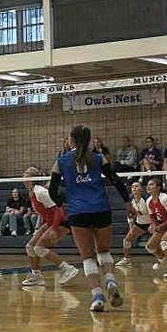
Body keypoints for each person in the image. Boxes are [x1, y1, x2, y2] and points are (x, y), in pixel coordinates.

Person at [49, 127, 123, 314]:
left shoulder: (61, 161)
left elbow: (52, 190)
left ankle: (97, 297)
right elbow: (115, 179)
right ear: (89, 140)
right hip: (101, 208)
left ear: (72, 140)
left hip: (78, 211)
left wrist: (61, 204)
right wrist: (128, 201)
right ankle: (110, 281)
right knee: (103, 251)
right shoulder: (98, 158)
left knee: (87, 257)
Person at [20, 169, 77, 290]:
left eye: (26, 174)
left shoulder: (40, 192)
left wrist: (53, 229)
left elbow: (59, 210)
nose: (23, 176)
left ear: (31, 179)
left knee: (39, 248)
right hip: (50, 222)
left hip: (62, 222)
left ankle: (67, 269)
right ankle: (37, 276)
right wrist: (41, 228)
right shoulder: (31, 192)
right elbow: (46, 213)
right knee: (30, 247)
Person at [118, 179, 152, 266]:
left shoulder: (147, 199)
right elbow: (130, 214)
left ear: (141, 189)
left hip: (152, 223)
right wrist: (131, 227)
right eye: (133, 187)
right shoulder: (130, 199)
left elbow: (154, 213)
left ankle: (166, 259)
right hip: (140, 224)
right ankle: (127, 259)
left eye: (136, 186)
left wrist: (153, 224)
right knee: (127, 240)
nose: (134, 188)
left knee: (159, 242)